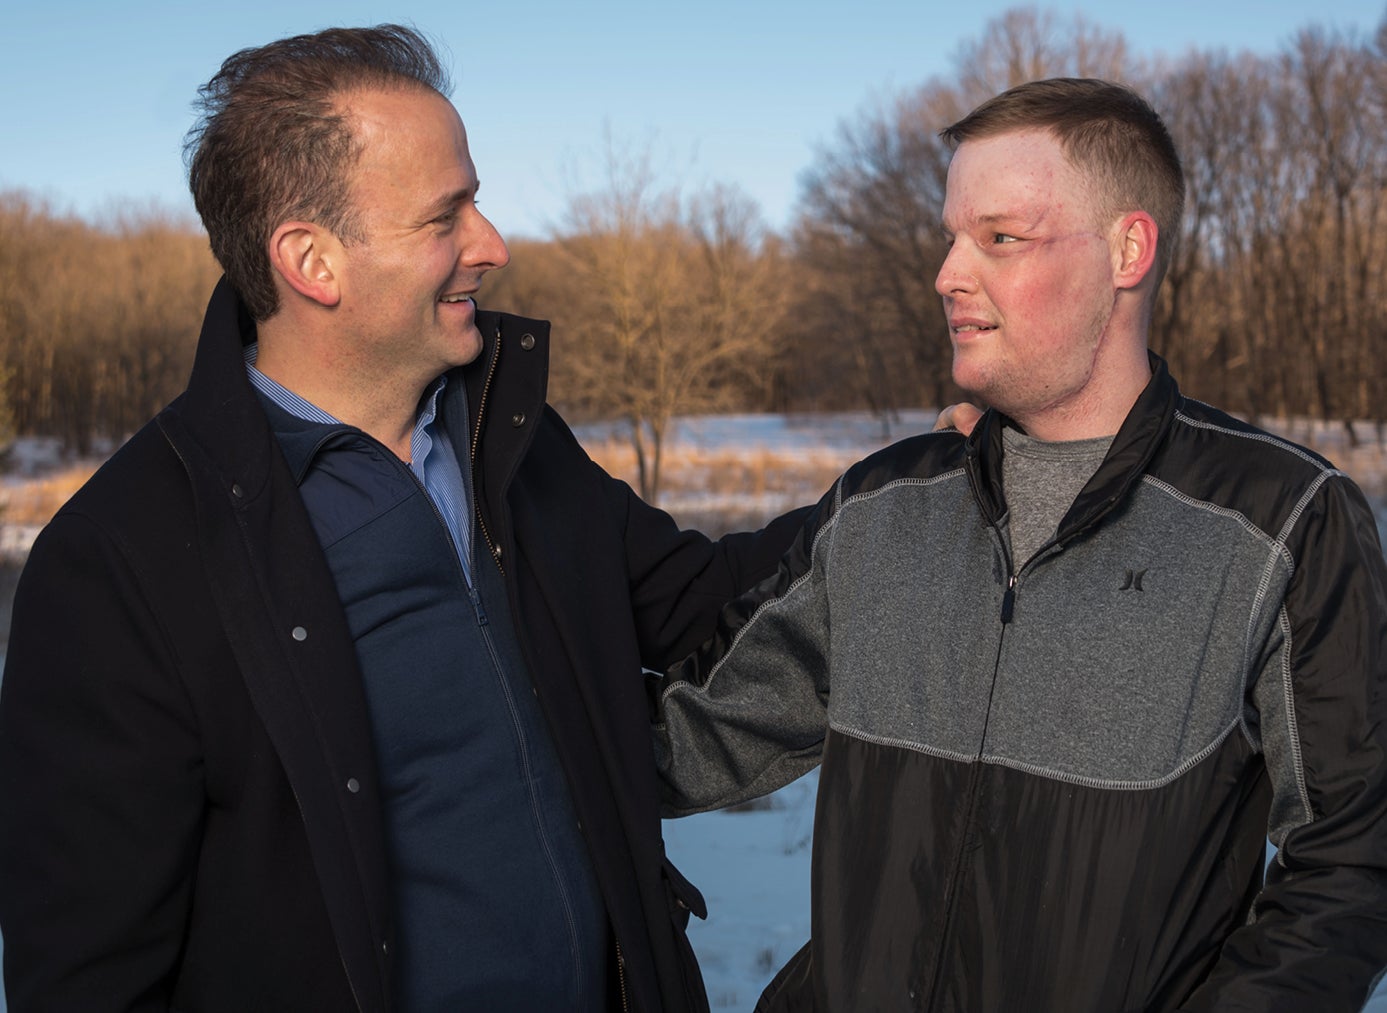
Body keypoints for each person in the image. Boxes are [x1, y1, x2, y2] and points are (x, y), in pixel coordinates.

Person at [0, 25, 805, 1012]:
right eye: (444, 216)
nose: (492, 244)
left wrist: (929, 483)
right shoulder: (120, 562)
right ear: (313, 261)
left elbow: (703, 598)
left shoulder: (508, 440)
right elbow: (88, 975)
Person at [653, 77, 1387, 1012]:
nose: (947, 273)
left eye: (1000, 237)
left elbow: (1353, 863)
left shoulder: (1282, 521)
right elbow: (677, 734)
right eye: (953, 235)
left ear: (1127, 249)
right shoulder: (882, 505)